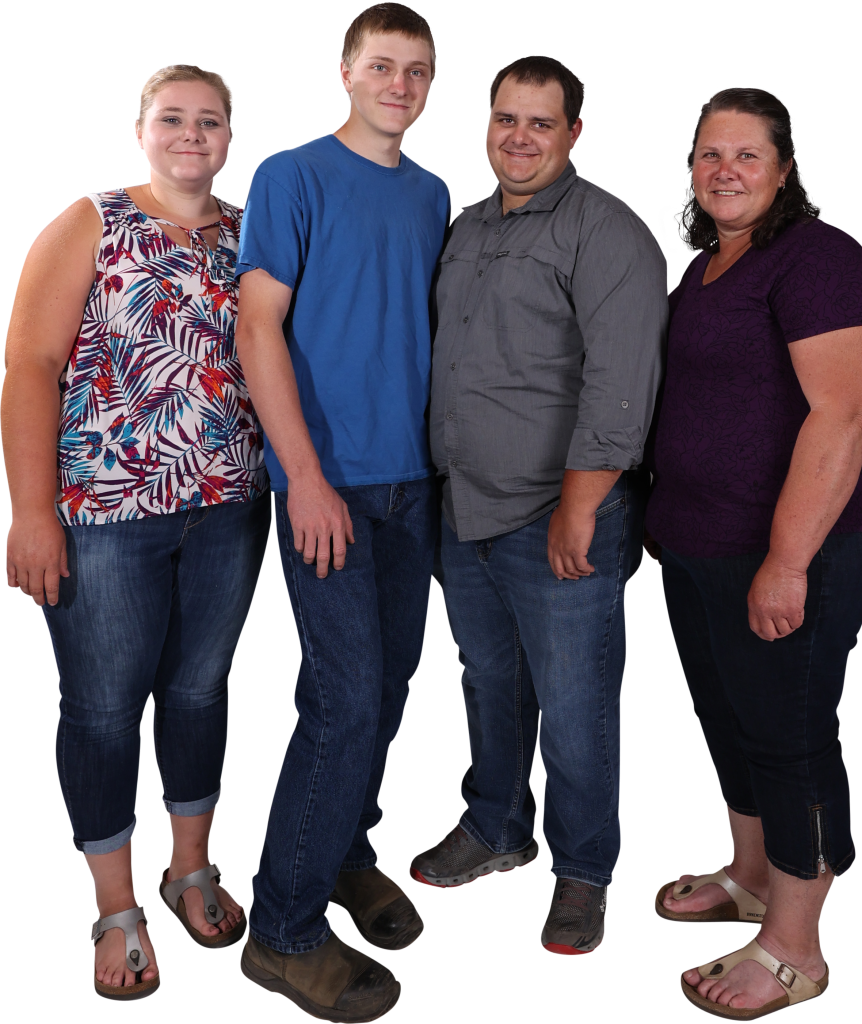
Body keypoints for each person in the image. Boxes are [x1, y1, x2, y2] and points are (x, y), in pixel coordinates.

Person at [1, 64, 269, 1000]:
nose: (191, 135)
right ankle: (116, 904)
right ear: (141, 130)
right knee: (105, 707)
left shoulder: (251, 231)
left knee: (200, 690)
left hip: (230, 507)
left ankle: (188, 868)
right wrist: (32, 511)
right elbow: (30, 365)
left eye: (210, 121)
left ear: (231, 136)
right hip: (107, 516)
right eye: (173, 119)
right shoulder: (89, 222)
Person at [645, 87, 862, 1018]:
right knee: (727, 716)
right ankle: (752, 878)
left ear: (786, 168)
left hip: (803, 548)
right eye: (711, 154)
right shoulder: (712, 262)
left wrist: (786, 562)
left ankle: (795, 946)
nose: (726, 171)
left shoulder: (818, 257)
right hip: (703, 543)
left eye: (748, 155)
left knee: (789, 737)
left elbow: (847, 409)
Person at [409, 54, 667, 956]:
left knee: (576, 703)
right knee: (487, 685)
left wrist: (581, 507)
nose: (519, 138)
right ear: (486, 126)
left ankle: (584, 869)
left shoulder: (609, 230)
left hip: (560, 515)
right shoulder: (467, 224)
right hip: (465, 510)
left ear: (575, 134)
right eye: (505, 121)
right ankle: (498, 828)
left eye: (541, 124)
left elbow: (621, 383)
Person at [232, 5, 450, 1020]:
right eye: (381, 66)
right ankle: (282, 930)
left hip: (415, 483)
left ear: (431, 83)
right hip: (328, 482)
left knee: (394, 687)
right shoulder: (292, 173)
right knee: (343, 700)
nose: (397, 84)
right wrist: (304, 474)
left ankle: (350, 852)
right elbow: (258, 325)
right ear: (344, 72)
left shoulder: (437, 193)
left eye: (416, 71)